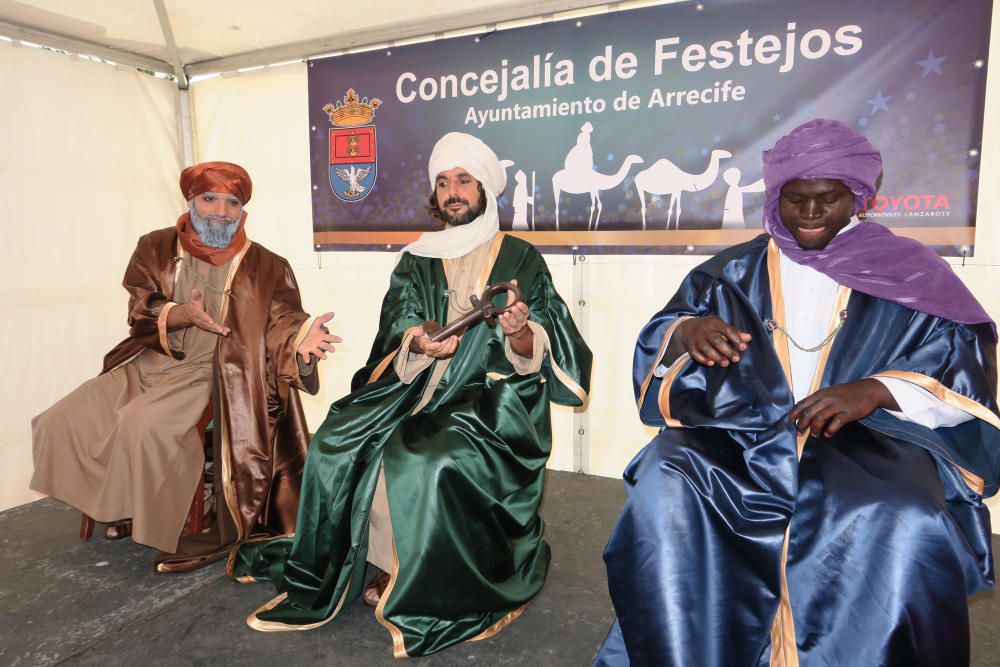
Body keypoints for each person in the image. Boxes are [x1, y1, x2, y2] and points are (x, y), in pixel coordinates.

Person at [594, 119, 999, 666]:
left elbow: (961, 363)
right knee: (667, 476)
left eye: (828, 199)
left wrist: (878, 389)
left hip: (866, 441)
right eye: (796, 199)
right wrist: (686, 334)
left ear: (858, 197)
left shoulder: (913, 272)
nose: (810, 214)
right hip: (745, 435)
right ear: (775, 196)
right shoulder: (730, 272)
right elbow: (665, 334)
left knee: (904, 516)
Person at [229, 132, 593, 658]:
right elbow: (395, 328)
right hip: (411, 390)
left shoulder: (521, 259)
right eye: (443, 183)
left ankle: (417, 576)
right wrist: (417, 343)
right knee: (337, 439)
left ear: (486, 189)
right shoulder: (415, 260)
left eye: (463, 181)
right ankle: (371, 561)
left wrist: (518, 333)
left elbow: (553, 345)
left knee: (423, 457)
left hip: (488, 406)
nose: (453, 192)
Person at [31, 161, 340, 572]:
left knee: (144, 425)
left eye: (231, 203)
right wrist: (179, 314)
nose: (219, 211)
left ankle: (160, 519)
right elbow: (140, 307)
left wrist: (301, 339)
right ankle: (119, 504)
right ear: (191, 201)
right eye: (209, 199)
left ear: (243, 211)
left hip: (216, 372)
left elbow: (282, 321)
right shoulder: (155, 247)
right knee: (62, 419)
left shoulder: (267, 265)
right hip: (153, 361)